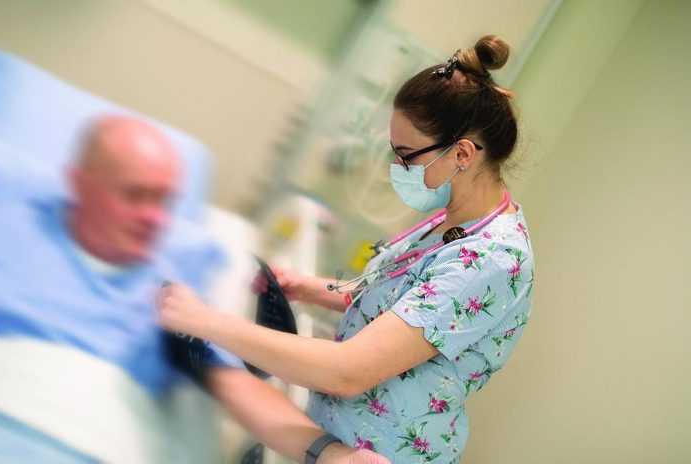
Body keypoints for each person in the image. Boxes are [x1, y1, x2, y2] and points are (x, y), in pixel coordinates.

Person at [158, 35, 534, 463]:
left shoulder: (493, 261)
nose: (397, 169)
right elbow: (397, 303)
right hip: (326, 438)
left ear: (462, 153)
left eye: (407, 155)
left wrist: (204, 320)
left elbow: (347, 371)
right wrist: (307, 287)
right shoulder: (453, 220)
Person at [0, 115, 388, 463]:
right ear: (80, 183)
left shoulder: (173, 286)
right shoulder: (15, 226)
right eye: (134, 195)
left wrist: (331, 455)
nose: (153, 218)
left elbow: (234, 383)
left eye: (163, 201)